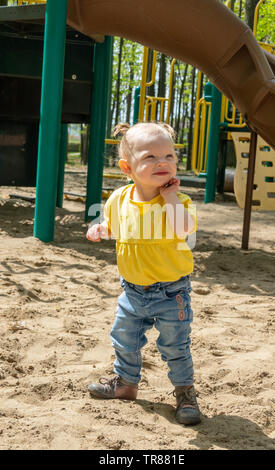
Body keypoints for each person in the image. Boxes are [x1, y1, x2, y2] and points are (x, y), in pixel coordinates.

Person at [86, 122, 200, 425]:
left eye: (169, 156)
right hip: (132, 290)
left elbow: (183, 229)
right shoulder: (119, 199)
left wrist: (171, 198)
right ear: (128, 167)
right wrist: (100, 229)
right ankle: (125, 384)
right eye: (150, 157)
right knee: (124, 338)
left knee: (175, 346)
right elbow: (114, 225)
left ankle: (185, 392)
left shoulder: (179, 201)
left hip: (171, 292)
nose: (162, 162)